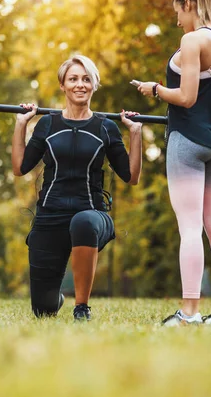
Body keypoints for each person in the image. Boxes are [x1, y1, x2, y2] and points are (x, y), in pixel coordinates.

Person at [135, 0, 211, 326]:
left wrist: (154, 89)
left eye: (178, 12)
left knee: (189, 228)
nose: (177, 20)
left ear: (188, 4)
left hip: (188, 141)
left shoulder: (192, 41)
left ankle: (189, 314)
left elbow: (185, 97)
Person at [12, 55, 142, 320]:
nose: (79, 84)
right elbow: (19, 168)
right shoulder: (47, 124)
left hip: (92, 214)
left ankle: (81, 307)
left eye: (86, 79)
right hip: (50, 216)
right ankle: (54, 298)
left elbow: (131, 177)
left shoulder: (106, 127)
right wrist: (21, 124)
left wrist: (136, 134)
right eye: (73, 79)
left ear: (94, 84)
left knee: (82, 222)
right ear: (63, 85)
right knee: (43, 310)